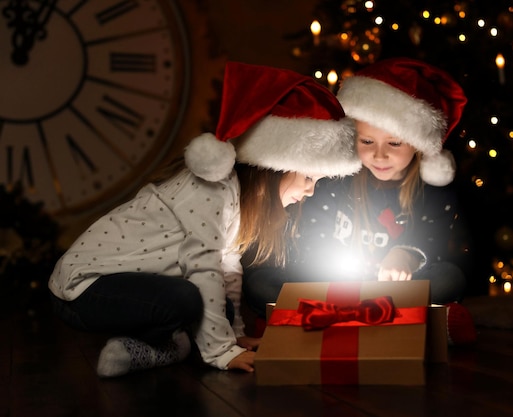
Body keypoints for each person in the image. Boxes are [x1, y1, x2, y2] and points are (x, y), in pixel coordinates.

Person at [48, 61, 361, 378]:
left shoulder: (240, 201)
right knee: (188, 298)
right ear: (272, 168)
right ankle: (164, 347)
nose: (309, 190)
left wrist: (235, 334)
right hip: (81, 289)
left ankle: (171, 342)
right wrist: (222, 352)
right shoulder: (211, 191)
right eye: (308, 177)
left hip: (131, 286)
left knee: (217, 306)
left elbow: (228, 271)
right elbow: (203, 266)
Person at [242, 57, 476, 345]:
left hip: (392, 294)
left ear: (416, 143)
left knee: (450, 278)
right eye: (367, 142)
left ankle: (317, 322)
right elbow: (312, 232)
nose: (379, 155)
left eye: (394, 143)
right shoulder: (337, 179)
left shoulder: (432, 190)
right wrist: (324, 279)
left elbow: (435, 237)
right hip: (327, 290)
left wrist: (407, 254)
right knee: (260, 283)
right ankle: (383, 322)